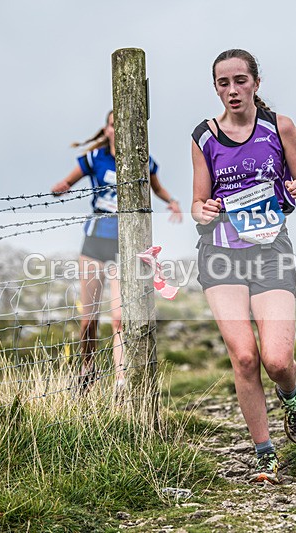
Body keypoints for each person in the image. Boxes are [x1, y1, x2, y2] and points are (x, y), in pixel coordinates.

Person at [191, 49, 296, 484]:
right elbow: (197, 203)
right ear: (215, 89)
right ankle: (265, 455)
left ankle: (292, 396)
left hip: (270, 253)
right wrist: (202, 210)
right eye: (223, 83)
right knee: (244, 356)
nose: (232, 90)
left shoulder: (279, 127)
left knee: (277, 359)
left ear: (256, 84)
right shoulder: (203, 136)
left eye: (240, 81)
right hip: (221, 253)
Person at [52, 110, 182, 397]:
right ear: (107, 129)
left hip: (126, 244)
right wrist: (61, 188)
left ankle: (121, 381)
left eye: (121, 125)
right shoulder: (94, 158)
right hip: (94, 241)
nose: (116, 130)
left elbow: (156, 187)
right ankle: (87, 368)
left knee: (120, 317)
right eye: (113, 125)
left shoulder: (142, 160)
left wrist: (172, 201)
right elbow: (68, 182)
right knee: (89, 318)